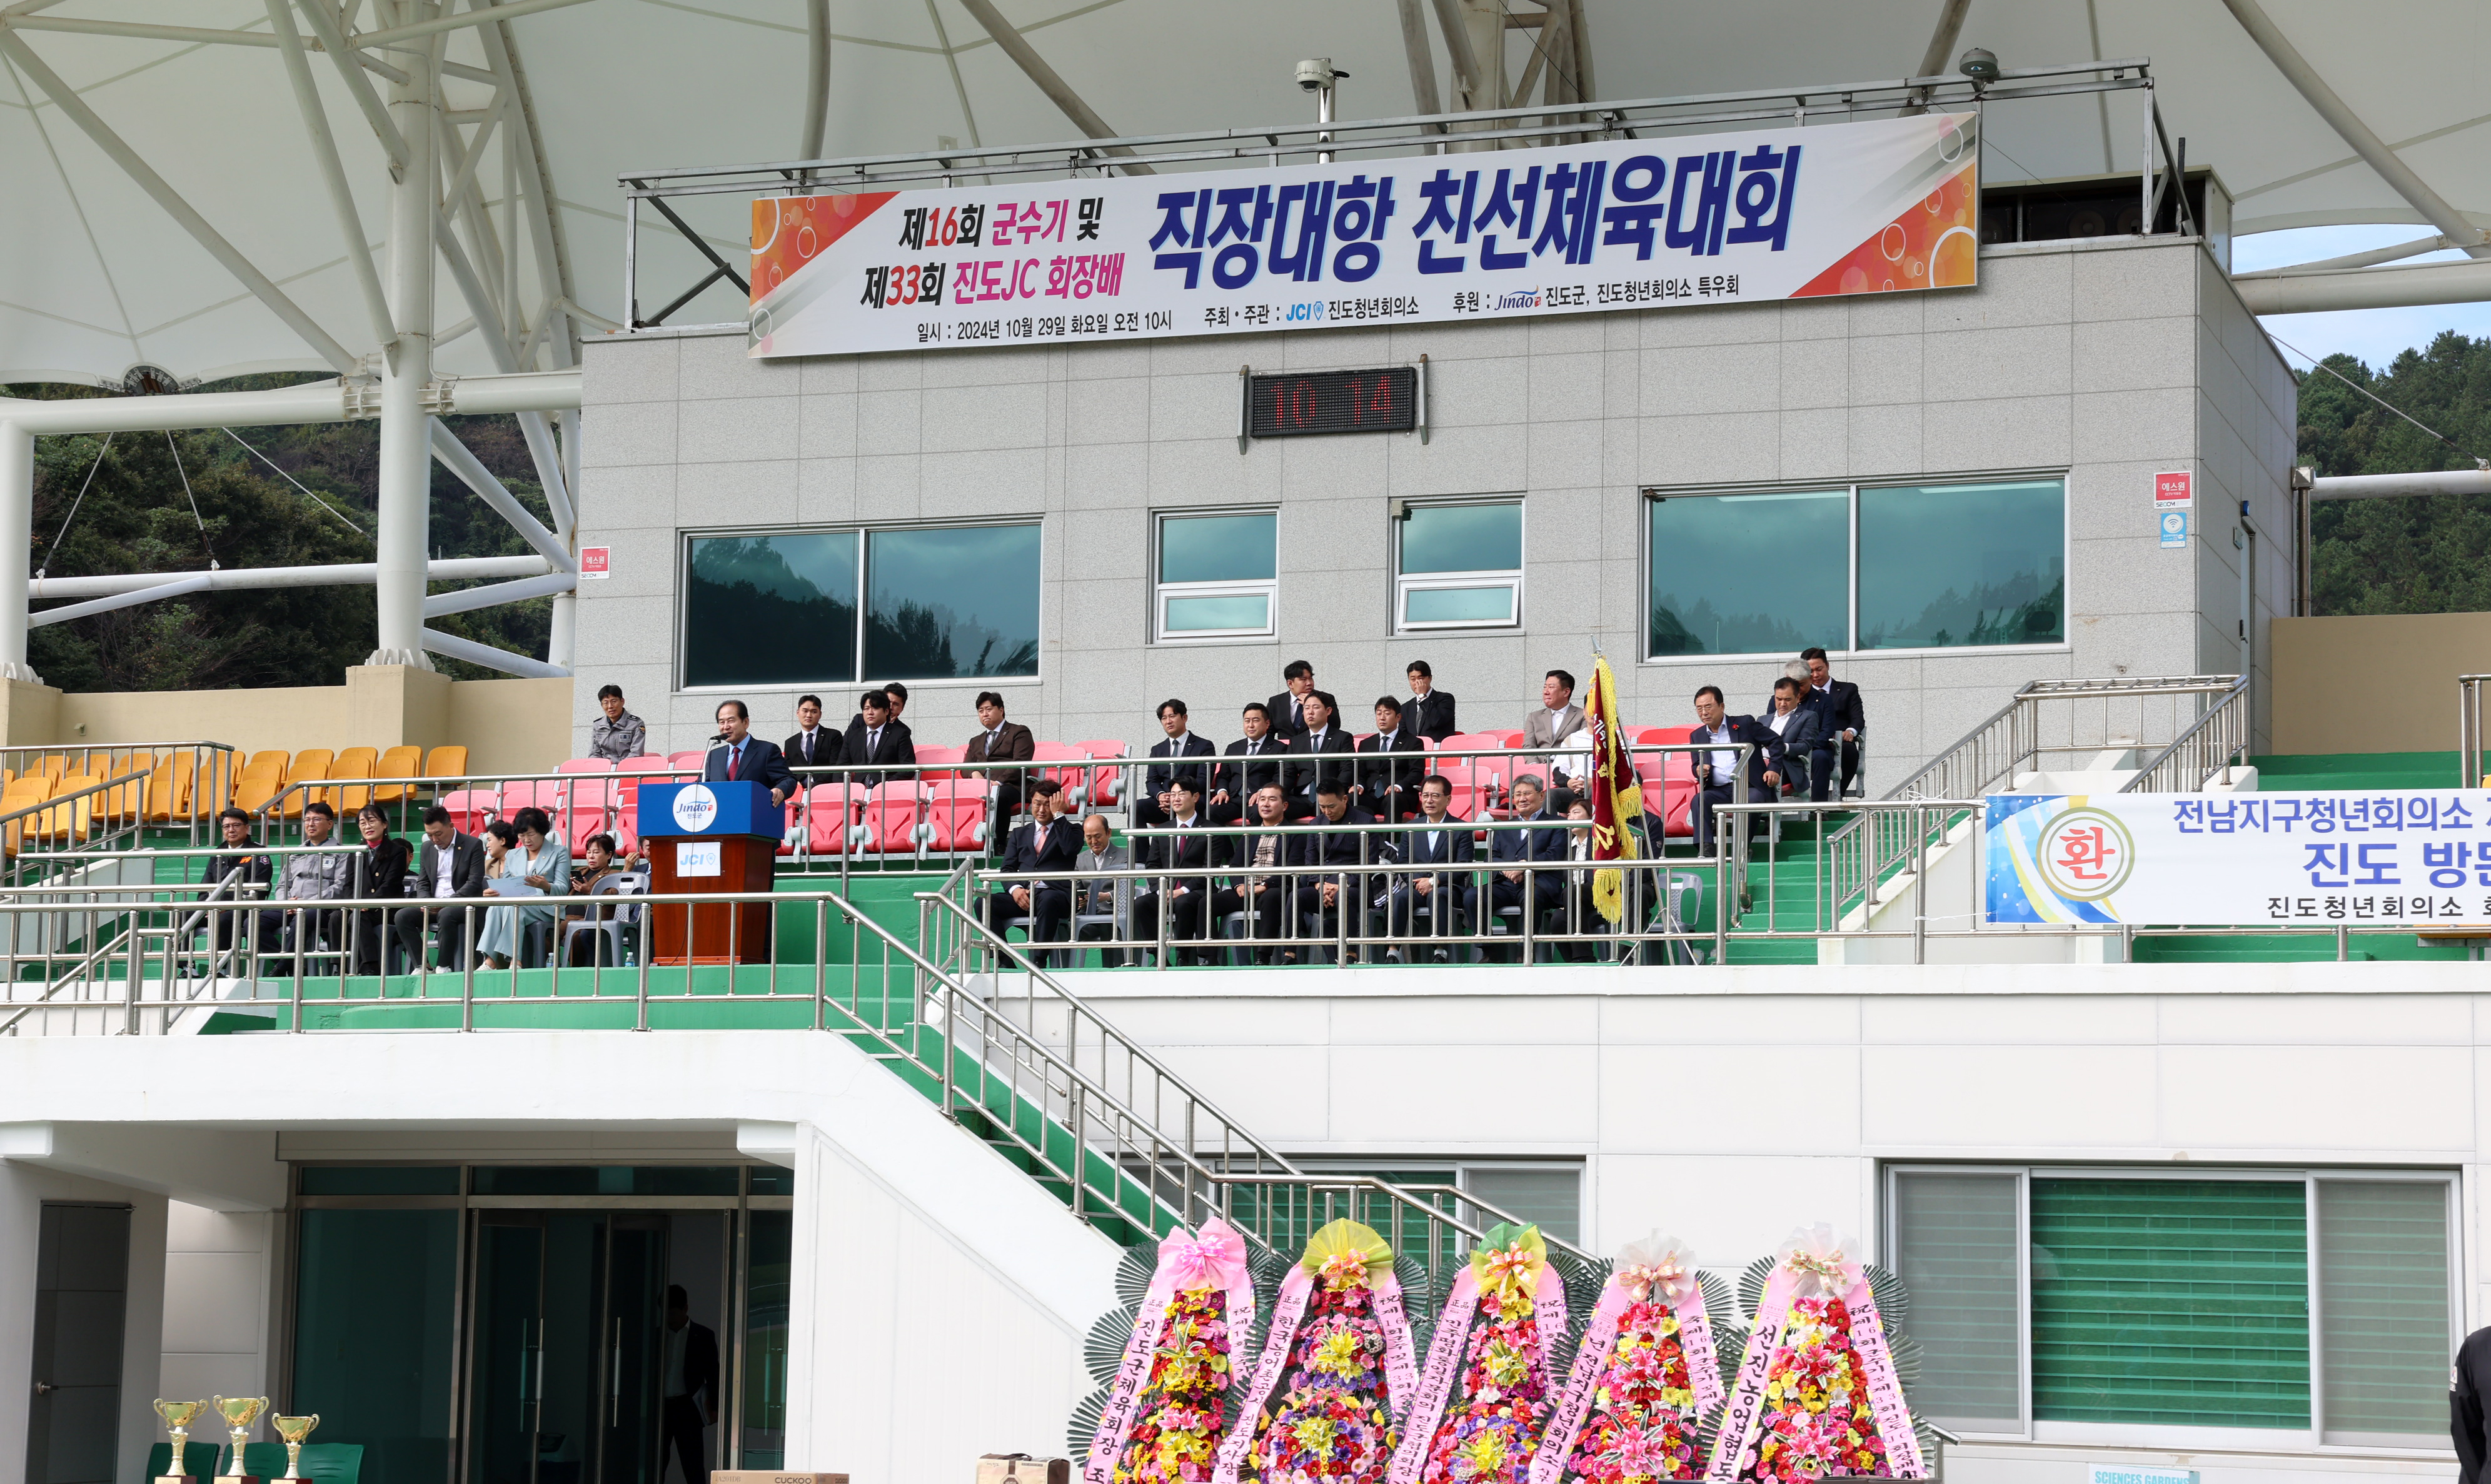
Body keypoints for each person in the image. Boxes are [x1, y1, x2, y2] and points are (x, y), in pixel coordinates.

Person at [1132, 775, 1224, 966]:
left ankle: (1183, 955)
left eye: (1182, 794)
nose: (1176, 798)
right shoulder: (1162, 830)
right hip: (1167, 891)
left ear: (1196, 797)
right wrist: (1160, 890)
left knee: (1184, 901)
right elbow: (1153, 865)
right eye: (1172, 794)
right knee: (1141, 904)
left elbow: (1210, 868)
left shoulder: (1210, 829)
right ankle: (1158, 956)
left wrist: (1182, 890)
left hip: (1197, 891)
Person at [985, 778, 1078, 964]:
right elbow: (1008, 869)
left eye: (1047, 805)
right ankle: (1004, 961)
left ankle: (1038, 961)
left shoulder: (1072, 830)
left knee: (1048, 899)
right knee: (984, 903)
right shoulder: (1020, 833)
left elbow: (1070, 849)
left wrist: (1059, 815)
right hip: (1026, 895)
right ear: (1030, 804)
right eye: (1037, 804)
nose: (1042, 810)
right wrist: (1015, 889)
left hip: (1056, 895)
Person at [1292, 780, 1382, 963]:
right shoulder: (1316, 823)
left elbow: (1370, 862)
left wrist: (1342, 885)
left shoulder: (1365, 821)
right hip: (1324, 886)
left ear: (1345, 799)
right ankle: (1289, 953)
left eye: (1331, 806)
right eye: (1322, 806)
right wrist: (1319, 885)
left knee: (1344, 896)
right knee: (1296, 896)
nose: (1327, 812)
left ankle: (1350, 953)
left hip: (1356, 886)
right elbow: (1310, 860)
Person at [259, 800, 355, 968]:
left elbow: (339, 887)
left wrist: (308, 902)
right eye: (307, 820)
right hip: (292, 906)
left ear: (330, 824)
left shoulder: (342, 853)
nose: (311, 824)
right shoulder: (296, 853)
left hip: (320, 908)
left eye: (317, 819)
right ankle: (289, 965)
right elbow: (282, 885)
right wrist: (286, 902)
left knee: (304, 916)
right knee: (253, 922)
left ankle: (283, 967)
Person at [1387, 773, 1474, 957]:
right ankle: (1392, 951)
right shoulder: (1412, 827)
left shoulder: (1461, 828)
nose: (1429, 800)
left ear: (1448, 799)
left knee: (1438, 895)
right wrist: (1418, 882)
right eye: (1425, 795)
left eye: (1435, 796)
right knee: (1401, 897)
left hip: (1450, 887)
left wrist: (1434, 881)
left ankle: (1440, 950)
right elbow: (1403, 862)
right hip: (1418, 886)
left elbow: (1464, 866)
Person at [1485, 773, 1568, 957]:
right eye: (1517, 795)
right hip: (1506, 883)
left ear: (1541, 795)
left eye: (1527, 793)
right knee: (1473, 896)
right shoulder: (1505, 826)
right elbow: (1492, 857)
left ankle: (1522, 952)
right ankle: (1489, 950)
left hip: (1540, 883)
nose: (1522, 799)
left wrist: (1525, 866)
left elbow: (1554, 854)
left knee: (1532, 897)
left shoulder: (1557, 824)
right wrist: (1508, 869)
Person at [395, 803, 486, 971]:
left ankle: (443, 966)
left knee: (446, 913)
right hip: (433, 904)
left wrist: (447, 903)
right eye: (430, 835)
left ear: (451, 826)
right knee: (402, 916)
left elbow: (474, 883)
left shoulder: (473, 845)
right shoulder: (427, 848)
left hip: (463, 904)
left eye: (438, 834)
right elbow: (423, 881)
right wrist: (425, 901)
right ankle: (422, 966)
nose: (435, 839)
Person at [1213, 784, 1296, 963]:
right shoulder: (1250, 834)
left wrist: (1264, 886)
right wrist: (1239, 884)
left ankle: (1263, 957)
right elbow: (1235, 865)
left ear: (1285, 806)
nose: (1266, 804)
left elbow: (1292, 868)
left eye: (1272, 799)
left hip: (1274, 889)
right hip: (1247, 889)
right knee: (1208, 903)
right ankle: (1209, 958)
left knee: (1272, 897)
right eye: (1263, 799)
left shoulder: (1294, 834)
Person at [1690, 685, 1775, 854]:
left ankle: (1741, 846)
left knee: (1752, 801)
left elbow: (1775, 741)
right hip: (1718, 789)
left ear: (1722, 706)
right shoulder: (1697, 735)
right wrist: (1699, 770)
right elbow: (1695, 766)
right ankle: (1705, 847)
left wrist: (1774, 768)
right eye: (1699, 708)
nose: (1704, 712)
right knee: (1699, 800)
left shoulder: (1744, 723)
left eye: (1708, 707)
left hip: (1748, 787)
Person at [478, 807, 567, 968]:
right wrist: (495, 893)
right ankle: (490, 960)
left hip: (546, 907)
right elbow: (505, 884)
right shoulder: (512, 854)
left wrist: (545, 886)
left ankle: (515, 961)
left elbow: (563, 888)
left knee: (514, 907)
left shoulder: (559, 852)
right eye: (522, 836)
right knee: (495, 908)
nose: (526, 840)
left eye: (531, 835)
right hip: (519, 903)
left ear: (542, 832)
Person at [658, 1283, 719, 1484]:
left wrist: (715, 1408)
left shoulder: (703, 1336)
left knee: (693, 1465)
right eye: (665, 1313)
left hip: (687, 1407)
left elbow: (713, 1373)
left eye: (673, 1313)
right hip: (659, 1408)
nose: (669, 1319)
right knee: (655, 1464)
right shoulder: (656, 1335)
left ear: (685, 1309)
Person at [350, 803, 413, 975]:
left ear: (384, 824)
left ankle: (371, 966)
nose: (367, 826)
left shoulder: (397, 851)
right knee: (336, 916)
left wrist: (367, 904)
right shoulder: (356, 852)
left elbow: (390, 884)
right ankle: (339, 966)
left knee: (358, 916)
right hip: (361, 907)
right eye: (362, 823)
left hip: (386, 907)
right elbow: (347, 884)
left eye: (371, 821)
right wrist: (350, 903)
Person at [1136, 698, 1217, 830]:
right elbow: (1152, 781)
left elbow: (1203, 780)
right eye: (1164, 718)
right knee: (1136, 808)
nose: (1168, 721)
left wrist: (1178, 796)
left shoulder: (1204, 746)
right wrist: (1162, 795)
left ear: (1184, 718)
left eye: (1173, 716)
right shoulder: (1157, 750)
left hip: (1192, 800)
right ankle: (1141, 852)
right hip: (1165, 803)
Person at [204, 806, 271, 964]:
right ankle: (187, 967)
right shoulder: (218, 853)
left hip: (244, 909)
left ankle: (219, 966)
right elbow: (205, 884)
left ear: (247, 828)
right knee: (183, 916)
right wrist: (206, 906)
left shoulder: (257, 852)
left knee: (224, 919)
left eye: (236, 825)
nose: (231, 830)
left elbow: (259, 889)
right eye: (227, 826)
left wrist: (227, 907)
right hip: (216, 908)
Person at [1800, 647, 1865, 800]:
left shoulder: (1848, 690)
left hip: (1839, 741)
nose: (1815, 675)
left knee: (1849, 752)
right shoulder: (1801, 694)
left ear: (1827, 666)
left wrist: (1850, 732)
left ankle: (1838, 797)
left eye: (1819, 669)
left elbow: (1858, 718)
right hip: (1812, 742)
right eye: (1810, 671)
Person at [1210, 702, 1289, 826]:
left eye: (1256, 721)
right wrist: (1222, 791)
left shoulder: (1279, 748)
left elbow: (1280, 777)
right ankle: (1226, 846)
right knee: (1211, 812)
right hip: (1233, 799)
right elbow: (1223, 776)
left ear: (1267, 724)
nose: (1251, 725)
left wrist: (1263, 792)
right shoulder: (1233, 748)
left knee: (1260, 814)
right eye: (1247, 721)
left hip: (1259, 799)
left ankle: (1254, 846)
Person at [1281, 691, 1356, 820]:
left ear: (1328, 711)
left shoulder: (1342, 738)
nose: (1310, 712)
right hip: (1302, 798)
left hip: (1329, 797)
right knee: (1275, 808)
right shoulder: (1296, 741)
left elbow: (1347, 770)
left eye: (1316, 707)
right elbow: (1288, 773)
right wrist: (1277, 794)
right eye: (1306, 708)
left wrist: (1333, 793)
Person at [705, 700, 796, 805]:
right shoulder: (714, 755)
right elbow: (702, 785)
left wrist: (780, 790)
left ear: (746, 723)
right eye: (721, 722)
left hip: (754, 813)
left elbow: (788, 780)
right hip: (721, 815)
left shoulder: (767, 751)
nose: (725, 727)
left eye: (731, 721)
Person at [964, 690, 1035, 823]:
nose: (985, 714)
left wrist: (997, 783)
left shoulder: (1019, 732)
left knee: (1000, 795)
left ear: (1001, 710)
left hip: (1012, 786)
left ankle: (1000, 843)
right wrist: (974, 774)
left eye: (989, 709)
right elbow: (965, 768)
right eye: (981, 711)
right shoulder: (975, 740)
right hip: (981, 785)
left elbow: (1020, 763)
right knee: (957, 795)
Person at [1072, 813, 1133, 968]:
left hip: (1113, 913)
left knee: (1108, 924)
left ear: (1109, 833)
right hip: (1088, 915)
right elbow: (1076, 888)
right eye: (1089, 837)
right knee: (1064, 927)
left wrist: (1107, 896)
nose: (1094, 842)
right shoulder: (1080, 859)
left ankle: (1114, 970)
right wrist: (1079, 900)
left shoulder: (1125, 856)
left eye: (1098, 836)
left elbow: (1129, 889)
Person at [565, 832, 633, 966]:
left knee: (576, 935)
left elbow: (615, 895)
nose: (591, 856)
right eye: (589, 852)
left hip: (591, 919)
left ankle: (576, 971)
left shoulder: (615, 874)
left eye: (596, 852)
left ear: (609, 855)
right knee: (549, 930)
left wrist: (589, 890)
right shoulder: (580, 871)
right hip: (567, 917)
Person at [1356, 696, 1427, 822]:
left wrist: (1399, 786)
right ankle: (1360, 841)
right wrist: (1360, 785)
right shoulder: (1366, 744)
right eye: (1379, 714)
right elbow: (1360, 773)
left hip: (1400, 794)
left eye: (1387, 713)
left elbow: (1416, 772)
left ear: (1398, 717)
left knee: (1393, 800)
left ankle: (1389, 841)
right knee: (1351, 799)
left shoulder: (1413, 743)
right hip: (1370, 794)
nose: (1382, 718)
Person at [835, 688, 915, 790]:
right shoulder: (853, 736)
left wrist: (886, 785)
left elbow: (908, 768)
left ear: (886, 711)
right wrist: (843, 789)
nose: (870, 712)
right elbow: (841, 767)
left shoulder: (900, 734)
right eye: (866, 708)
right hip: (858, 791)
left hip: (888, 791)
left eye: (875, 708)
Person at [1760, 676, 1823, 800]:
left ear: (1798, 698)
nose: (1783, 704)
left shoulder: (1807, 717)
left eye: (1788, 700)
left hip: (1785, 766)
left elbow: (1804, 746)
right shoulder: (1763, 719)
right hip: (1760, 764)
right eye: (1779, 699)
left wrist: (1781, 747)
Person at [1266, 659, 1339, 741]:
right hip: (1285, 750)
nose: (1309, 683)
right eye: (1303, 679)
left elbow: (1335, 725)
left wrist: (1309, 703)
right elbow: (1268, 731)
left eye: (1310, 678)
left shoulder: (1326, 698)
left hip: (1314, 747)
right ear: (1290, 684)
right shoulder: (1276, 702)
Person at [1524, 669, 1587, 758]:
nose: (1546, 692)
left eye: (1551, 687)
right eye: (1545, 687)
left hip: (1569, 768)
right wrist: (1534, 766)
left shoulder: (1583, 715)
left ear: (1566, 692)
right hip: (1539, 767)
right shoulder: (1534, 717)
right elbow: (1528, 746)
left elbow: (1582, 745)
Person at [589, 683, 646, 763]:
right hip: (606, 771)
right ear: (602, 705)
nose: (610, 706)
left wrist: (620, 770)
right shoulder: (598, 725)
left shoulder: (636, 724)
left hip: (628, 770)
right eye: (606, 703)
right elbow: (594, 753)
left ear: (622, 701)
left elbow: (636, 753)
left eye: (614, 701)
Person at [1403, 660, 1457, 743]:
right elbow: (1403, 736)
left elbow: (1437, 721)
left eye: (1421, 678)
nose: (1417, 683)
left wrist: (1423, 697)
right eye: (1413, 679)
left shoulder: (1445, 699)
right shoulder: (1405, 708)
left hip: (1438, 751)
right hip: (1414, 752)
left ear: (1430, 678)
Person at [783, 694, 836, 770]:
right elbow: (788, 769)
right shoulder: (790, 743)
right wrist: (795, 781)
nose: (809, 715)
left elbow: (835, 764)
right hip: (799, 781)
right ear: (798, 713)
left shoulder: (833, 736)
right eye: (805, 711)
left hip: (826, 781)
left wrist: (820, 781)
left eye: (814, 712)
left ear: (820, 714)